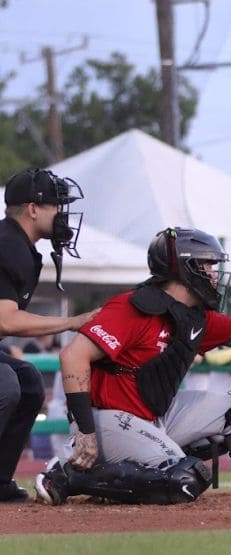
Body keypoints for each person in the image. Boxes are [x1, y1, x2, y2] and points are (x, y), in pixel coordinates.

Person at [34, 226, 231, 505]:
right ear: (185, 268)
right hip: (105, 421)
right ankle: (70, 476)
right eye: (208, 265)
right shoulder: (131, 307)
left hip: (152, 418)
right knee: (184, 480)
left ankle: (131, 468)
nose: (215, 274)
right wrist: (85, 432)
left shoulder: (192, 316)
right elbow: (72, 356)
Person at [0, 168, 96, 503]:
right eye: (56, 206)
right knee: (6, 384)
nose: (62, 214)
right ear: (32, 208)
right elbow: (6, 322)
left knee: (27, 381)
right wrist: (72, 322)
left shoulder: (18, 244)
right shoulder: (7, 244)